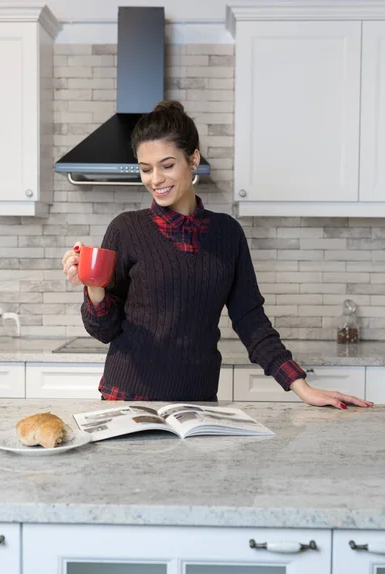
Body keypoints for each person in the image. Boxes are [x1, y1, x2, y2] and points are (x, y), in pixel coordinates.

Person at [62, 101, 373, 410]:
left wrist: (302, 387)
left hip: (198, 405)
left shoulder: (227, 234)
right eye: (146, 169)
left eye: (167, 165)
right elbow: (104, 331)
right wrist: (93, 286)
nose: (155, 179)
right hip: (125, 402)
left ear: (193, 158)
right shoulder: (126, 229)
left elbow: (251, 320)